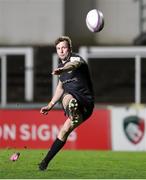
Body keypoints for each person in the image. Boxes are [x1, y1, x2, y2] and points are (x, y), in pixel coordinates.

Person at [38, 36, 94, 171]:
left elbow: (72, 65)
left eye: (64, 47)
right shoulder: (60, 68)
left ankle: (73, 110)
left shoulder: (76, 59)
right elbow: (60, 87)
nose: (61, 51)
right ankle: (44, 163)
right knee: (63, 131)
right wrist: (50, 105)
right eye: (58, 48)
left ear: (69, 49)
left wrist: (63, 70)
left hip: (86, 103)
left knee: (68, 97)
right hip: (77, 106)